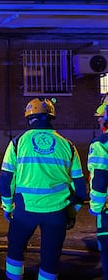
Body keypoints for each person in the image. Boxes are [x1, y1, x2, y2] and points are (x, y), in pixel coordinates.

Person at [0, 97, 87, 280]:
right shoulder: (68, 145)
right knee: (50, 258)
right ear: (51, 117)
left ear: (29, 117)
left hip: (25, 210)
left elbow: (6, 179)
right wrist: (72, 210)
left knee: (15, 249)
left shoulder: (17, 143)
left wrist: (7, 207)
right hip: (57, 211)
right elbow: (79, 185)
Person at [88, 94, 108, 280]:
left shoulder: (101, 144)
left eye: (102, 115)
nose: (99, 119)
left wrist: (95, 207)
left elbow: (100, 179)